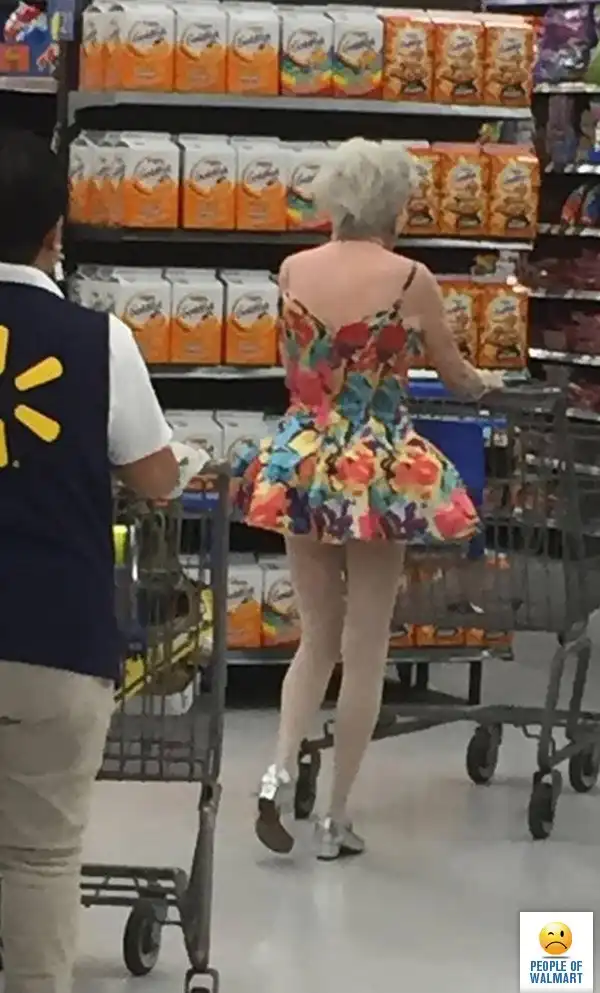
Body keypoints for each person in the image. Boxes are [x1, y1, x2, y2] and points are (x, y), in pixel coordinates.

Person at [232, 137, 504, 862]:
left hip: (302, 455)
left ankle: (277, 770)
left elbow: (297, 364)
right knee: (366, 642)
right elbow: (454, 375)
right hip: (377, 464)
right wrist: (487, 384)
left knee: (316, 633)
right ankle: (334, 818)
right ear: (395, 204)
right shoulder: (411, 277)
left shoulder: (295, 269)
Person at [0, 131, 204, 993]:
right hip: (56, 634)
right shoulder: (99, 340)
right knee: (40, 856)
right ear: (55, 231)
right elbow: (155, 478)